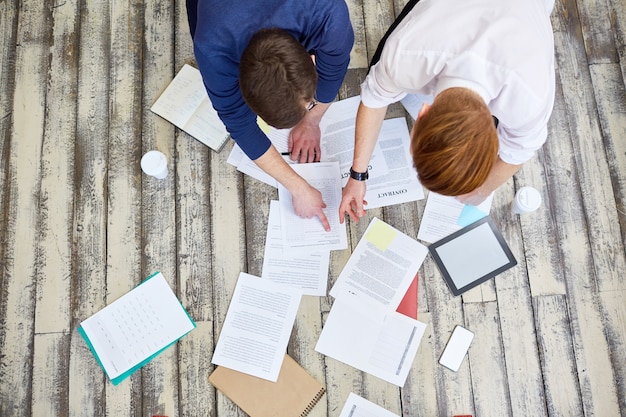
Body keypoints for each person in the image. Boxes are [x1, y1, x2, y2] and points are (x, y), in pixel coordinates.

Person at [339, 0, 555, 223]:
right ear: (421, 114)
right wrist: (357, 175)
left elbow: (520, 150)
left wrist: (483, 189)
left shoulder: (531, 96)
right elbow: (375, 97)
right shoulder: (405, 55)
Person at [187, 0, 354, 231]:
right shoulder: (213, 48)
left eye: (309, 103)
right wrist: (297, 187)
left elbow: (334, 67)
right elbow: (238, 122)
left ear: (309, 59)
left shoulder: (328, 13)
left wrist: (313, 119)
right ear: (241, 85)